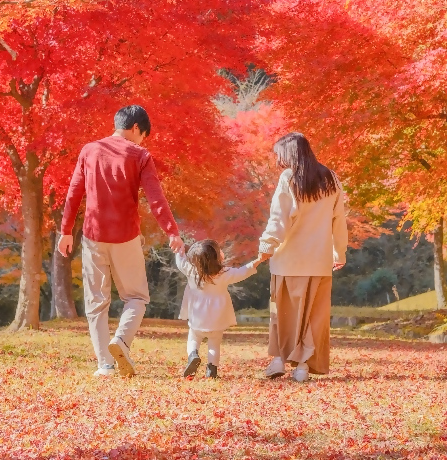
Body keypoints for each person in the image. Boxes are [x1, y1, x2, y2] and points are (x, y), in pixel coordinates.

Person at [58, 104, 184, 377]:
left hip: (93, 235)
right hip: (125, 236)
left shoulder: (88, 151)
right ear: (136, 128)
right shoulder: (140, 155)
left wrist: (65, 230)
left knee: (96, 302)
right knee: (136, 297)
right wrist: (172, 231)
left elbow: (73, 193)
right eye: (143, 135)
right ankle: (122, 341)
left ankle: (105, 364)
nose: (142, 141)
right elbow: (155, 198)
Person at [258, 132, 348, 383]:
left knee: (281, 312)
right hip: (318, 261)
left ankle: (278, 359)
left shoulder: (288, 178)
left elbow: (279, 218)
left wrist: (266, 245)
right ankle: (302, 367)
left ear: (289, 153)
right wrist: (339, 251)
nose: (278, 160)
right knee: (313, 316)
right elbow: (338, 220)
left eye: (279, 154)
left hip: (287, 260)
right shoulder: (331, 178)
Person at [174, 239, 262, 379]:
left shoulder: (190, 270)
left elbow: (180, 260)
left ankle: (193, 355)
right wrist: (259, 260)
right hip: (216, 319)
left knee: (193, 338)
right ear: (216, 257)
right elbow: (243, 272)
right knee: (214, 344)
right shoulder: (224, 273)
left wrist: (179, 247)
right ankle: (212, 370)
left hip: (197, 317)